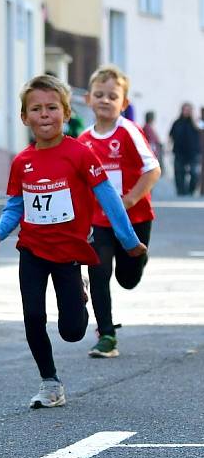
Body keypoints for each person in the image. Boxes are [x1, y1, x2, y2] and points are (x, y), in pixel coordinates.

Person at [0, 74, 147, 409]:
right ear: (25, 118)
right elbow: (16, 205)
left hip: (69, 251)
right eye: (37, 109)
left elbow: (109, 199)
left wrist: (128, 240)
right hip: (32, 249)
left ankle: (80, 295)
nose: (45, 115)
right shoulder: (22, 162)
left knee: (72, 331)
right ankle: (50, 382)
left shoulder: (80, 154)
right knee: (32, 315)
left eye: (52, 108)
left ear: (67, 113)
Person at [78, 65, 160, 358]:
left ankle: (140, 258)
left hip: (135, 218)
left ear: (123, 103)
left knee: (127, 279)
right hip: (99, 222)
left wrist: (130, 199)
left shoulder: (128, 131)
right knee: (99, 273)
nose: (105, 100)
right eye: (99, 94)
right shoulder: (84, 141)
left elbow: (153, 169)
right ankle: (107, 335)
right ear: (88, 99)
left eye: (112, 96)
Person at [169, 102, 201, 196]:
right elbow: (170, 136)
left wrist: (194, 119)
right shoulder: (177, 122)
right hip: (179, 152)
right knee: (179, 173)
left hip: (193, 153)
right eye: (184, 109)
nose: (185, 112)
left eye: (188, 110)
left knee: (194, 173)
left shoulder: (196, 122)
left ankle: (191, 191)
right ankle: (181, 192)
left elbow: (201, 128)